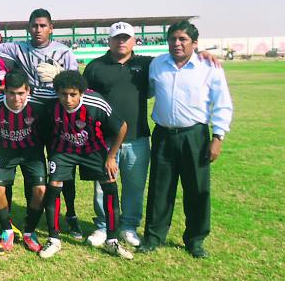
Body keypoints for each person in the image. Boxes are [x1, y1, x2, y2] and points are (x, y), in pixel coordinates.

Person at [83, 22, 221, 248]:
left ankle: (128, 226)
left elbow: (179, 56)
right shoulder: (95, 66)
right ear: (109, 40)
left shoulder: (148, 64)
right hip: (105, 139)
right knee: (103, 186)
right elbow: (84, 100)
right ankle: (103, 225)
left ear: (134, 41)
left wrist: (201, 53)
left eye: (126, 38)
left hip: (137, 137)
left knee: (135, 187)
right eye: (117, 38)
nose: (121, 41)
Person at [0, 8, 82, 237]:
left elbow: (77, 84)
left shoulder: (64, 52)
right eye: (34, 25)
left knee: (61, 170)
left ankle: (71, 215)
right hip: (15, 118)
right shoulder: (17, 49)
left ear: (51, 28)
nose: (38, 29)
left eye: (43, 25)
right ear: (28, 28)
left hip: (54, 115)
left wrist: (60, 73)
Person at [139, 20, 233, 258]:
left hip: (195, 135)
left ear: (195, 43)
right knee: (160, 188)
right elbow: (148, 90)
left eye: (183, 39)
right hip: (163, 135)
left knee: (197, 189)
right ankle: (153, 237)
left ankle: (195, 240)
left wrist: (218, 137)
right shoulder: (157, 64)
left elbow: (222, 103)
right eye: (172, 39)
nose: (177, 43)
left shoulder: (208, 66)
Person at [38, 71, 134, 259]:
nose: (68, 99)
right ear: (57, 92)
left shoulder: (95, 102)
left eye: (73, 94)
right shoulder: (51, 103)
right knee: (54, 186)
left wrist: (111, 157)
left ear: (81, 92)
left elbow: (122, 126)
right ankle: (54, 239)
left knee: (110, 186)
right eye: (63, 94)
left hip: (93, 150)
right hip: (63, 150)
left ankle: (112, 241)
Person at [0, 70, 49, 253]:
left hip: (31, 151)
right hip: (2, 151)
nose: (16, 98)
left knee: (40, 190)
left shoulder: (39, 105)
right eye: (12, 93)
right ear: (5, 91)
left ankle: (29, 231)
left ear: (28, 91)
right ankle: (7, 229)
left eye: (21, 93)